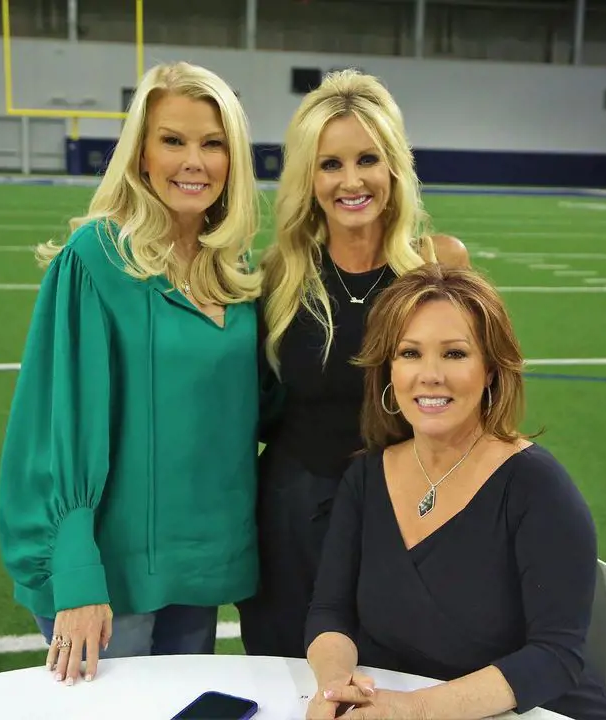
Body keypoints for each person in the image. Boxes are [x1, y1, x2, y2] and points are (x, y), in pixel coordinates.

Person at [0, 61, 263, 686]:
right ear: (141, 153)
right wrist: (78, 573)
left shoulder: (235, 271)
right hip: (111, 575)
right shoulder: (97, 258)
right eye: (173, 140)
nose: (193, 161)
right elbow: (62, 426)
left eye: (213, 143)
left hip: (199, 568)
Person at [303, 264, 606, 720]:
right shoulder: (366, 477)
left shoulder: (536, 485)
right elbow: (330, 612)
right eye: (410, 353)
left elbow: (555, 656)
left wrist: (413, 710)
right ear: (388, 370)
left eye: (454, 354)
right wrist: (337, 690)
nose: (429, 375)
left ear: (491, 369)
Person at [238, 69, 470, 659]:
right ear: (307, 177)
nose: (350, 181)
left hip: (402, 508)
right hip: (292, 514)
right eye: (329, 164)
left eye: (366, 159)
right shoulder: (280, 274)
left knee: (395, 677)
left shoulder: (436, 266)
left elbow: (473, 396)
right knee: (289, 678)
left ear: (393, 164)